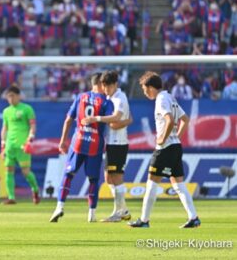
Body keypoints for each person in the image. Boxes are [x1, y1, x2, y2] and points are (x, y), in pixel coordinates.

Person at [129, 71, 200, 228]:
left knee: (151, 183)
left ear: (151, 87)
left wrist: (163, 138)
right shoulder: (169, 97)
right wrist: (176, 137)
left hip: (165, 148)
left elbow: (169, 120)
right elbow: (185, 119)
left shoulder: (161, 99)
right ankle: (193, 218)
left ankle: (144, 220)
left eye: (144, 89)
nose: (145, 92)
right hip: (175, 146)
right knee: (178, 185)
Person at [49, 73, 121, 223]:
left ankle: (59, 207)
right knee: (93, 179)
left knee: (68, 174)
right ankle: (91, 214)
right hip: (95, 143)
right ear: (101, 84)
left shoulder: (80, 97)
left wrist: (63, 140)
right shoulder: (106, 102)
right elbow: (113, 119)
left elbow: (69, 119)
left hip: (78, 141)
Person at [98, 71, 133, 222]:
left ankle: (118, 213)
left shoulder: (120, 97)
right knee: (108, 178)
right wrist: (123, 122)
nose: (105, 89)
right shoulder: (110, 97)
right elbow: (128, 118)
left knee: (116, 177)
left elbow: (118, 117)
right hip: (111, 143)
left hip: (118, 143)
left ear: (115, 85)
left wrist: (98, 118)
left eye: (108, 86)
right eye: (103, 86)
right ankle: (123, 209)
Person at [0, 85, 40, 205]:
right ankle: (11, 197)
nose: (10, 99)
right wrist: (3, 145)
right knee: (8, 170)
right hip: (10, 146)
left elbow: (33, 126)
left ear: (18, 96)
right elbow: (4, 128)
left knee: (26, 172)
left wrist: (30, 140)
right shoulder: (6, 111)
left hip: (23, 145)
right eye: (8, 96)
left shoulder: (27, 109)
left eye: (12, 96)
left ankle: (35, 190)